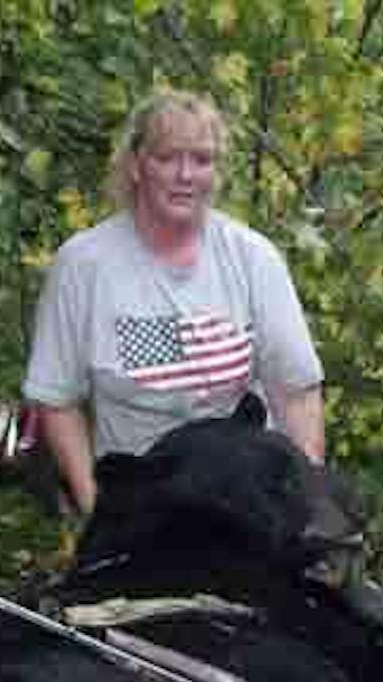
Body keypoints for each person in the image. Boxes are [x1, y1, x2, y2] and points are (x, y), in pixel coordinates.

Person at [23, 88, 326, 517]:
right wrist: (95, 507)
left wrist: (306, 507)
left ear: (216, 172)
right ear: (135, 165)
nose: (185, 175)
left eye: (201, 159)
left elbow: (296, 394)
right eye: (167, 157)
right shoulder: (83, 264)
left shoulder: (253, 258)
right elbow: (57, 400)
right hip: (136, 497)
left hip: (245, 497)